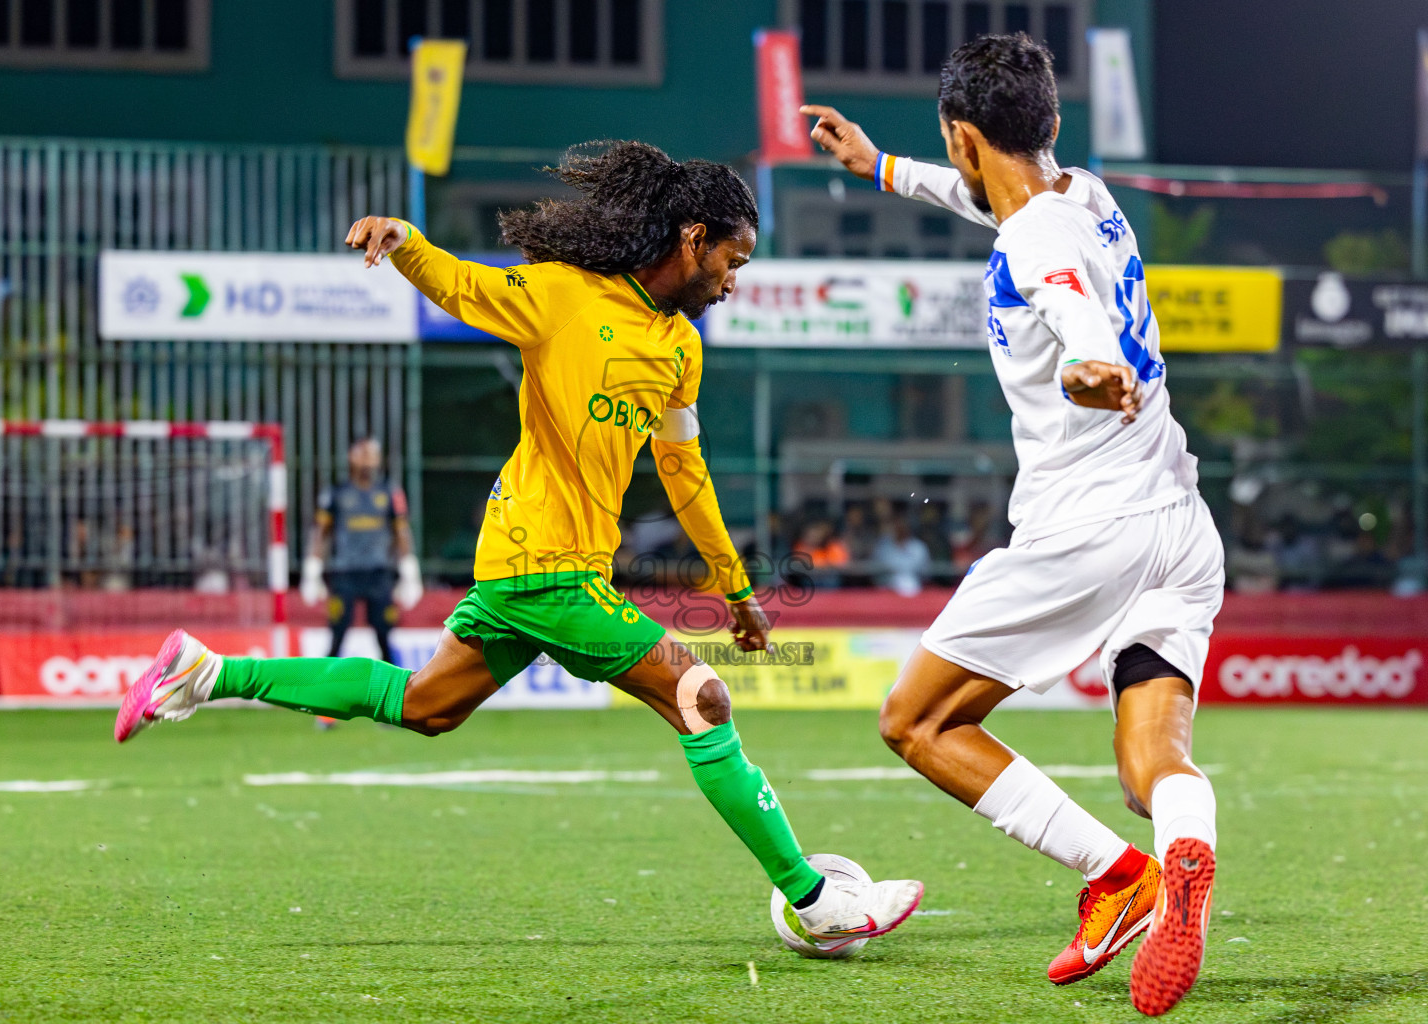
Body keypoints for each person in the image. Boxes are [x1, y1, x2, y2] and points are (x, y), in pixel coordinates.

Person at [114, 141, 923, 953]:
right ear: (692, 238)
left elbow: (685, 472)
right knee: (701, 697)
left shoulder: (681, 346)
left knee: (424, 705)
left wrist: (738, 590)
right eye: (732, 258)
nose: (734, 278)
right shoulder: (564, 296)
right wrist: (407, 240)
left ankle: (205, 673)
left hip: (536, 566)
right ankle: (815, 901)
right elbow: (468, 286)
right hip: (542, 561)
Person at [808, 33, 1224, 1017]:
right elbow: (995, 202)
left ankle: (1118, 877)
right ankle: (1181, 847)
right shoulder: (1081, 193)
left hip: (1089, 528)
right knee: (1149, 763)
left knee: (915, 719)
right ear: (1052, 125)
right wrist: (878, 166)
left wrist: (1090, 363)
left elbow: (1066, 305)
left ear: (962, 135)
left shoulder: (1035, 240)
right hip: (1179, 524)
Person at [300, 436, 423, 665]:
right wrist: (312, 570)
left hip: (379, 573)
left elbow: (402, 532)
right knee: (337, 635)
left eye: (373, 454)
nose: (368, 459)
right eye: (362, 453)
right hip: (344, 573)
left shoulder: (389, 492)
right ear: (351, 456)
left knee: (384, 636)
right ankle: (325, 691)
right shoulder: (335, 493)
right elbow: (321, 532)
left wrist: (410, 572)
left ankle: (396, 693)